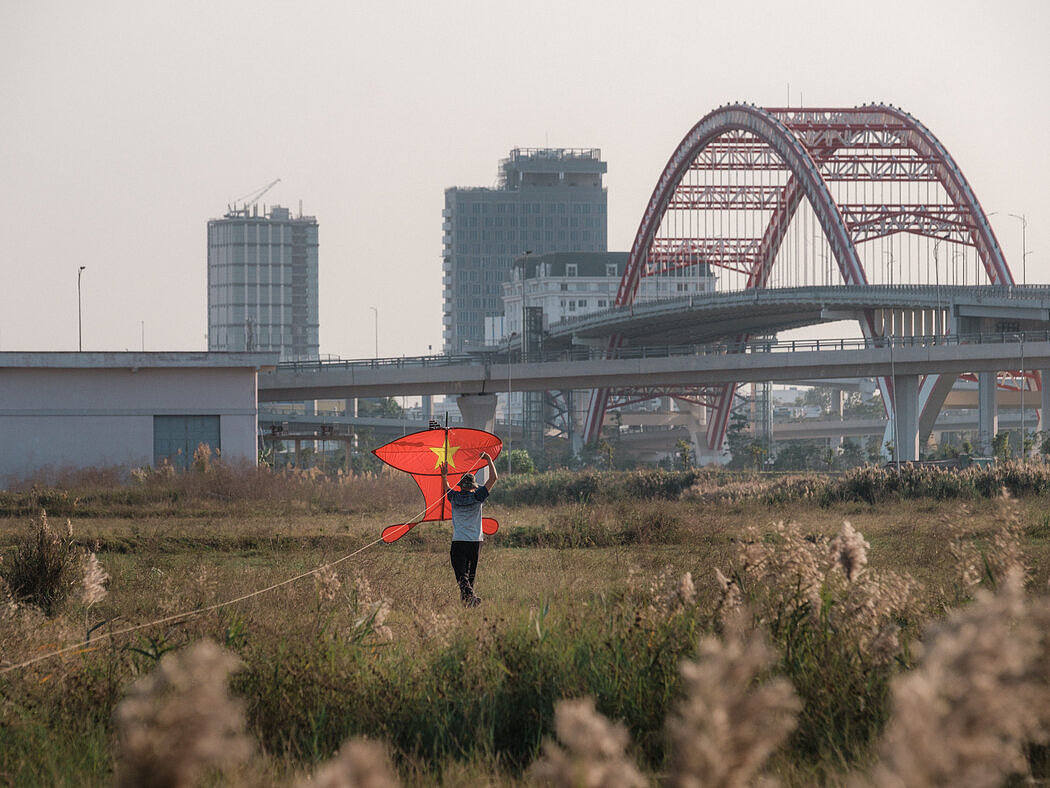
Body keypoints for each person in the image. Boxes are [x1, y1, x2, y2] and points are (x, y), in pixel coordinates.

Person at [441, 451, 498, 607]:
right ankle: (468, 604)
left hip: (459, 541)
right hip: (475, 541)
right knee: (469, 577)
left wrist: (444, 475)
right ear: (473, 487)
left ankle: (470, 599)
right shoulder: (478, 496)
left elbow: (446, 488)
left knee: (461, 575)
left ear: (461, 486)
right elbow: (494, 478)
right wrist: (488, 459)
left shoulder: (454, 497)